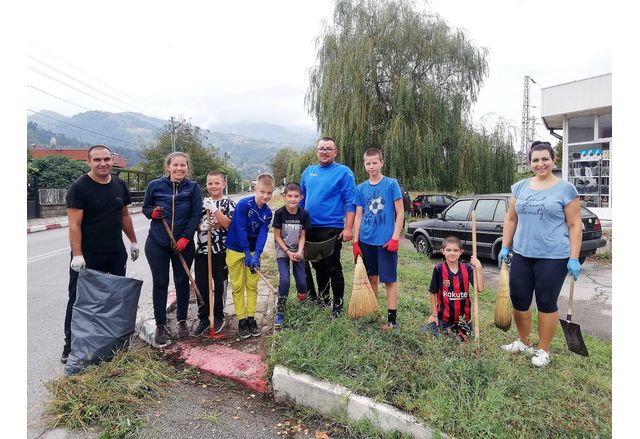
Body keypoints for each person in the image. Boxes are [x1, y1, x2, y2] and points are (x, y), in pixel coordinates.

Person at [498, 140, 582, 367]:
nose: (540, 163)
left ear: (553, 160)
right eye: (535, 160)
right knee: (519, 299)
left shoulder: (566, 189)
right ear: (529, 162)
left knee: (546, 301)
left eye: (545, 158)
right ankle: (524, 342)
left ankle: (543, 350)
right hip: (522, 253)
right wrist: (506, 246)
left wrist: (573, 257)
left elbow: (575, 225)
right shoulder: (520, 187)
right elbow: (511, 218)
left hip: (553, 256)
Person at [62, 144, 139, 364]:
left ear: (112, 159)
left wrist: (133, 241)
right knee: (79, 299)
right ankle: (71, 344)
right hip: (87, 256)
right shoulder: (79, 188)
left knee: (115, 298)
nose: (103, 163)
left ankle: (110, 344)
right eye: (97, 160)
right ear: (89, 162)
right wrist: (77, 254)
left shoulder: (119, 185)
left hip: (115, 253)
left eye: (106, 159)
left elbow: (124, 216)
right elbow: (74, 225)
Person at [143, 152, 202, 345]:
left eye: (183, 165)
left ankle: (182, 321)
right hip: (157, 242)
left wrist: (185, 238)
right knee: (160, 282)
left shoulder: (193, 188)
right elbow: (145, 208)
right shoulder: (155, 185)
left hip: (183, 244)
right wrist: (153, 212)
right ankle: (160, 324)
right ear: (168, 166)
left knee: (181, 281)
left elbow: (195, 215)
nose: (179, 169)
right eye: (175, 165)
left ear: (187, 167)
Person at [299, 136, 356, 318]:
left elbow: (350, 201)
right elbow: (301, 200)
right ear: (317, 151)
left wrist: (348, 228)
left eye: (328, 149)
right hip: (310, 227)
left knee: (333, 267)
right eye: (321, 148)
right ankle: (324, 300)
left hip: (332, 228)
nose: (324, 152)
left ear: (335, 152)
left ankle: (337, 305)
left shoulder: (344, 172)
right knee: (318, 266)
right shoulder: (308, 172)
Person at [352, 148, 404, 331]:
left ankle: (392, 321)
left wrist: (395, 238)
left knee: (389, 281)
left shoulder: (391, 184)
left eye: (375, 162)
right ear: (364, 165)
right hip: (367, 241)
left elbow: (400, 212)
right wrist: (356, 242)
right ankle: (374, 314)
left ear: (381, 163)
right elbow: (359, 216)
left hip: (386, 242)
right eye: (368, 163)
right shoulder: (360, 188)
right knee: (371, 278)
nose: (372, 166)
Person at [225, 173, 274, 338]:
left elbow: (263, 234)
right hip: (235, 249)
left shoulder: (267, 213)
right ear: (256, 189)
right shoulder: (244, 204)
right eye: (262, 192)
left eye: (269, 193)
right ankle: (241, 319)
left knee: (252, 286)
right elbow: (240, 228)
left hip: (253, 252)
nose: (265, 196)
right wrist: (245, 251)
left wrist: (256, 254)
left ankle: (251, 318)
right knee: (237, 286)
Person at [192, 172, 236, 336]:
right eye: (210, 183)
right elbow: (194, 224)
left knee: (220, 284)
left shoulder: (229, 203)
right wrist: (202, 226)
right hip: (203, 250)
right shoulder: (201, 203)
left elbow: (228, 225)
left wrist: (215, 210)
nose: (213, 186)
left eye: (217, 183)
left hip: (221, 251)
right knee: (201, 284)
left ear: (223, 184)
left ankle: (218, 315)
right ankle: (204, 317)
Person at [424, 236, 484, 341]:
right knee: (430, 334)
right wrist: (434, 314)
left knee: (465, 338)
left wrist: (478, 267)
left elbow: (480, 288)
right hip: (444, 318)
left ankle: (461, 330)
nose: (452, 253)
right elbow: (432, 292)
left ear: (461, 252)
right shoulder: (439, 269)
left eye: (455, 250)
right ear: (443, 251)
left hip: (463, 319)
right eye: (449, 250)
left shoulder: (467, 269)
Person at [273, 182, 312, 327]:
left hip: (298, 252)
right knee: (285, 281)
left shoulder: (304, 214)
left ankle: (302, 302)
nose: (292, 199)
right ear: (284, 196)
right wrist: (288, 251)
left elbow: (303, 236)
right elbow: (277, 236)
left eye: (296, 196)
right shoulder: (279, 213)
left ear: (301, 197)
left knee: (302, 281)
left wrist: (300, 251)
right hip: (283, 251)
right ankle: (281, 310)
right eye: (289, 196)